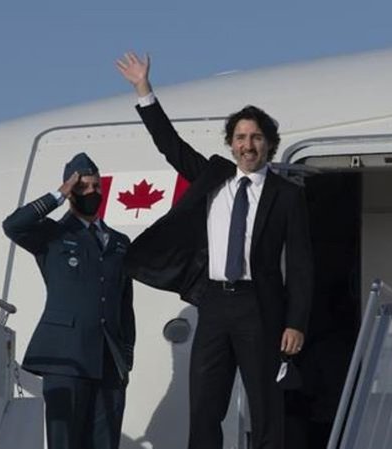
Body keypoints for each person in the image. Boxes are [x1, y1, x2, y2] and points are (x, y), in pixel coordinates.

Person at [116, 52, 313, 449]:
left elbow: (301, 264)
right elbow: (170, 146)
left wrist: (296, 322)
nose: (247, 145)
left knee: (265, 405)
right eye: (240, 138)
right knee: (205, 404)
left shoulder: (286, 195)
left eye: (255, 138)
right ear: (231, 144)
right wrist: (143, 90)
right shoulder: (214, 176)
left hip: (260, 306)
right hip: (215, 304)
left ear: (268, 144)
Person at [2, 153, 135, 449]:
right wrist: (58, 195)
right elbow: (13, 225)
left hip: (109, 359)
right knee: (65, 442)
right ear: (72, 191)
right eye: (83, 187)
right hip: (67, 357)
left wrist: (126, 356)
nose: (91, 192)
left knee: (105, 443)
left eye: (96, 186)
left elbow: (124, 303)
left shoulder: (118, 242)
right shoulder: (52, 234)